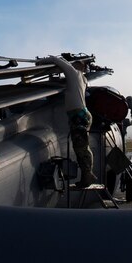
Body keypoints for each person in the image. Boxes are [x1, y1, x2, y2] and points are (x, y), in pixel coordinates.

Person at [38, 55, 97, 188]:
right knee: (82, 148)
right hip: (82, 115)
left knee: (81, 148)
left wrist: (41, 61)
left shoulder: (73, 73)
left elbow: (58, 61)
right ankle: (88, 175)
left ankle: (88, 176)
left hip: (78, 116)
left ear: (77, 66)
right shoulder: (83, 78)